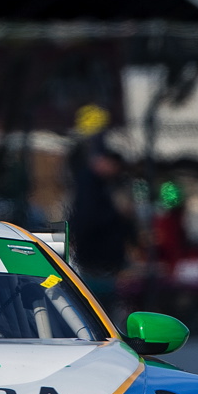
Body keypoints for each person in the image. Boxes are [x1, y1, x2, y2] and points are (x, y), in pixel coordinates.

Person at [66, 105, 134, 291]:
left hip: (106, 261)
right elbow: (87, 218)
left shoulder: (110, 183)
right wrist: (118, 214)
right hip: (94, 260)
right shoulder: (90, 182)